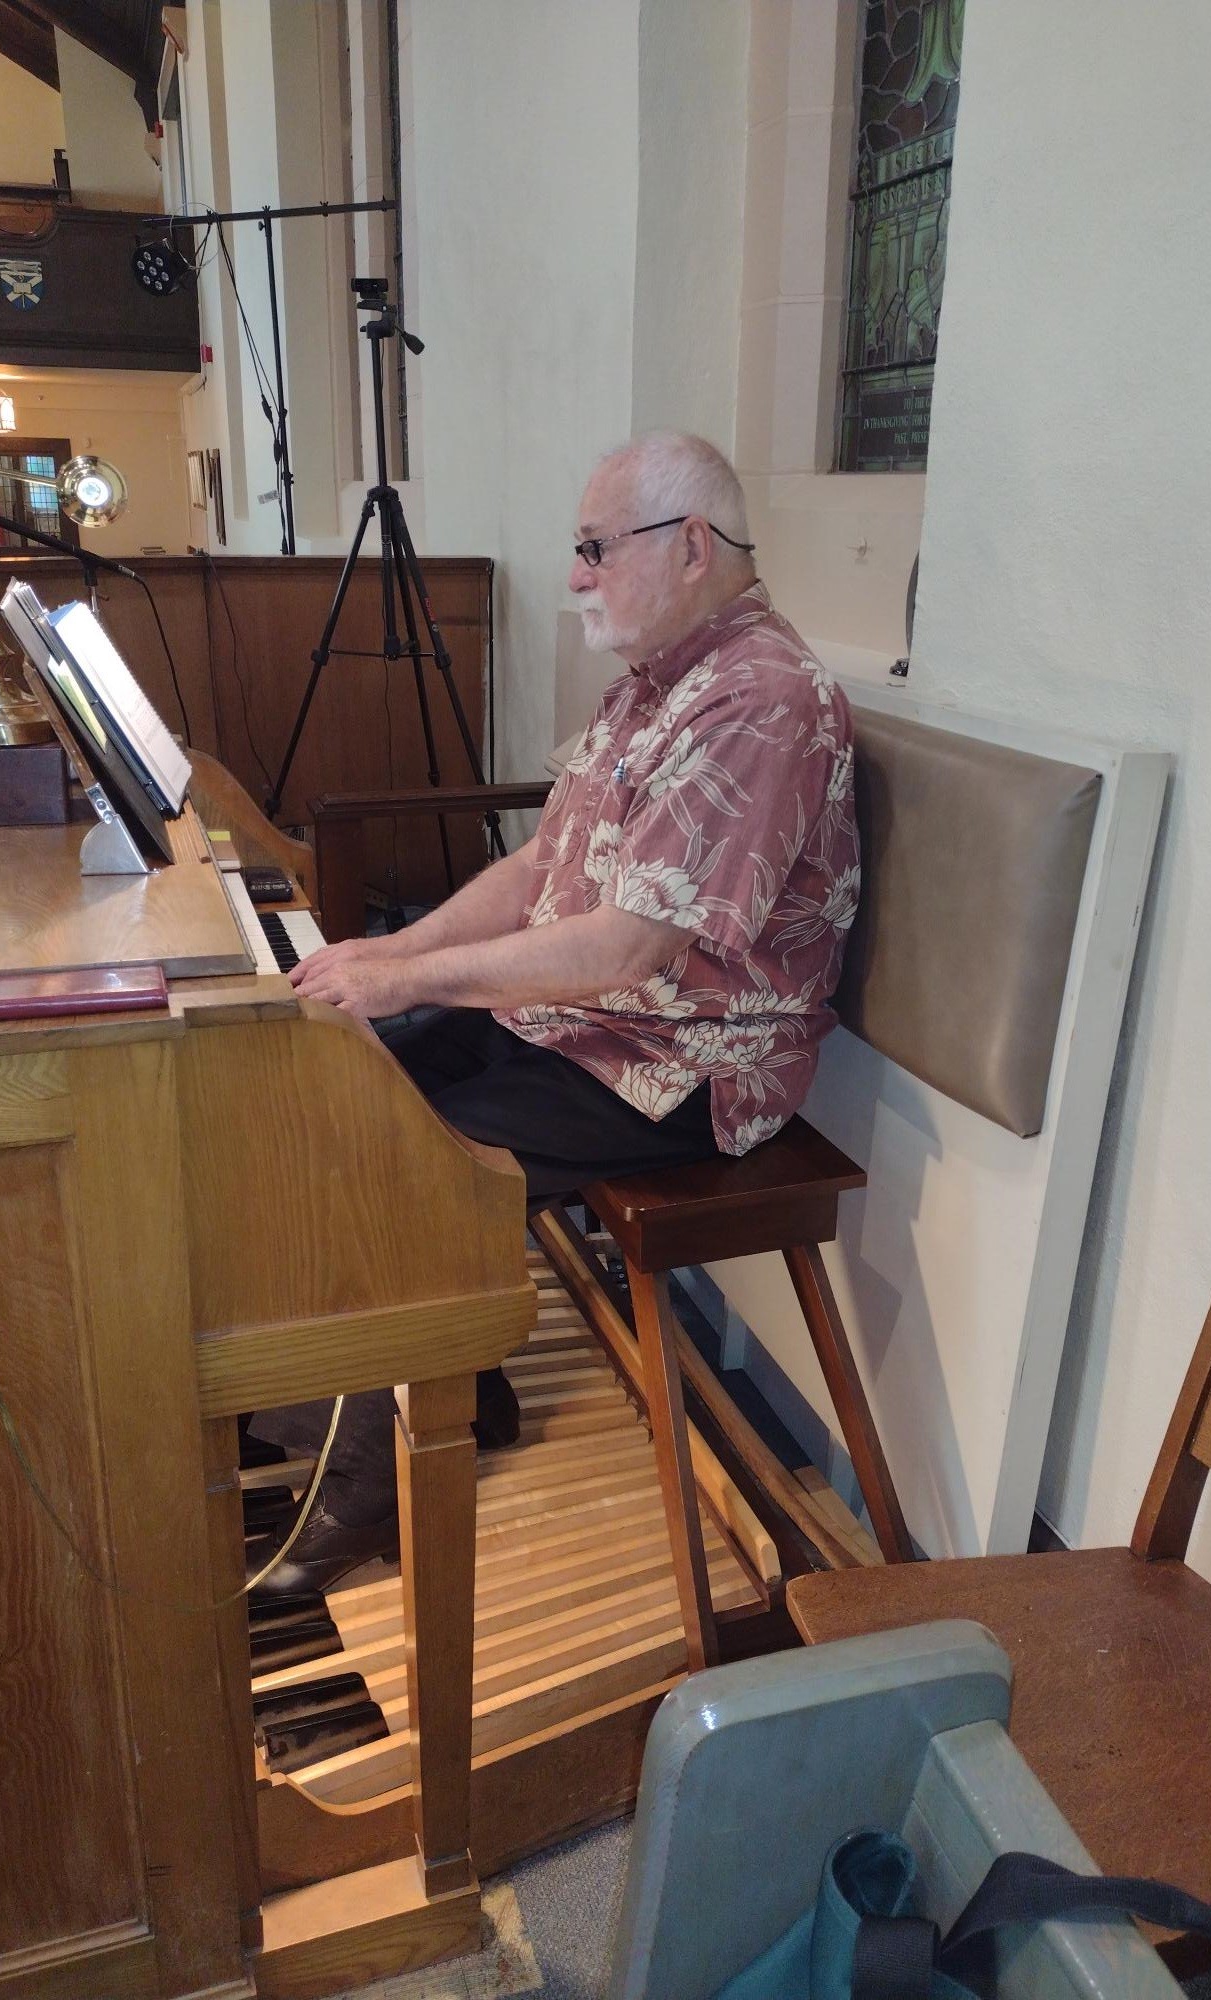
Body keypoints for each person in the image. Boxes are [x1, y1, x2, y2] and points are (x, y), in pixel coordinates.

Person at [249, 430, 861, 1596]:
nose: (575, 574)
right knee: (334, 1070)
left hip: (683, 1065)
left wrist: (409, 981)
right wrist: (389, 951)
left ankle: (374, 1473)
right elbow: (543, 864)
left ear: (690, 548)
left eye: (593, 548)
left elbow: (635, 946)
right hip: (586, 1022)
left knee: (388, 1138)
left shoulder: (764, 701)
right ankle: (441, 1388)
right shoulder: (654, 685)